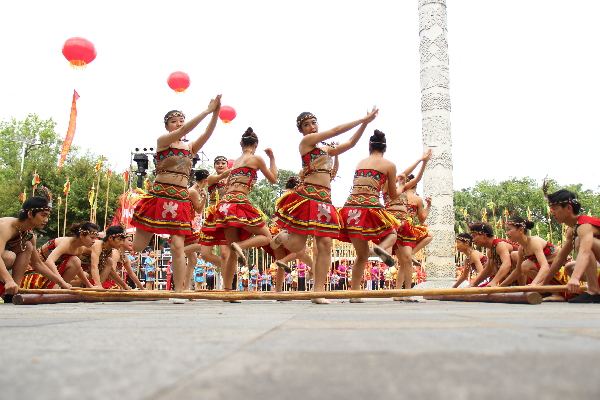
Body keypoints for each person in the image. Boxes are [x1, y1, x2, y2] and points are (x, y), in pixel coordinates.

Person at [274, 108, 379, 304]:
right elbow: (336, 130)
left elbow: (350, 143)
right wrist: (362, 118)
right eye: (307, 124)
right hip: (308, 197)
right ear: (302, 130)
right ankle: (284, 236)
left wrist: (365, 124)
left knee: (325, 245)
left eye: (314, 122)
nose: (312, 126)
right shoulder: (306, 143)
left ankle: (318, 292)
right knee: (297, 245)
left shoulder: (325, 149)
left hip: (325, 199)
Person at [131, 96, 221, 292]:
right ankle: (105, 249)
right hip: (159, 196)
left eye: (181, 119)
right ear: (167, 126)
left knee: (178, 247)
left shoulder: (190, 148)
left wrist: (215, 113)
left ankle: (179, 290)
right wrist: (206, 111)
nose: (179, 123)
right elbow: (184, 130)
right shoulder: (163, 141)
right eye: (174, 121)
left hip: (179, 199)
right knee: (137, 246)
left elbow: (208, 133)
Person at [205, 128, 278, 293]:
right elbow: (273, 179)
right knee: (266, 236)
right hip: (238, 201)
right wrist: (272, 157)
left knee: (231, 252)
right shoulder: (256, 158)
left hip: (225, 204)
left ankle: (227, 289)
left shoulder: (236, 161)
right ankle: (240, 245)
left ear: (241, 144)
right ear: (256, 145)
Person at [338, 129, 399, 302]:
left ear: (369, 146)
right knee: (393, 233)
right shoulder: (389, 165)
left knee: (362, 255)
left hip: (350, 208)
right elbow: (393, 195)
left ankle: (354, 294)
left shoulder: (360, 162)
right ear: (385, 148)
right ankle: (381, 248)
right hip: (369, 206)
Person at [1, 196, 71, 298]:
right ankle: (10, 285)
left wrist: (61, 282)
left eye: (47, 216)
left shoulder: (29, 235)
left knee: (27, 246)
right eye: (43, 215)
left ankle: (13, 292)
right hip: (5, 259)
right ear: (30, 214)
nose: (46, 220)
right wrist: (8, 280)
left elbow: (37, 264)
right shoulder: (5, 226)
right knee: (9, 257)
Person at [545, 189, 600, 302]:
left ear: (569, 208)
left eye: (555, 208)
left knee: (579, 241)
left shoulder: (583, 225)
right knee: (569, 267)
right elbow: (560, 258)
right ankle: (586, 291)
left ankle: (594, 291)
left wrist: (575, 278)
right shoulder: (572, 229)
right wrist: (543, 283)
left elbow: (585, 251)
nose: (552, 212)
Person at [21, 222, 100, 290]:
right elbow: (49, 262)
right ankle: (57, 286)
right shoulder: (66, 243)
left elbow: (78, 267)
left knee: (76, 262)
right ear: (82, 235)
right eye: (92, 238)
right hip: (35, 272)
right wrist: (61, 282)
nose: (94, 241)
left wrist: (89, 285)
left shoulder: (80, 249)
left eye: (95, 238)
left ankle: (59, 287)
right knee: (75, 261)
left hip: (51, 272)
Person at [500, 216, 562, 288]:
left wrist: (534, 284)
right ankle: (547, 291)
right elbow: (518, 271)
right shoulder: (521, 249)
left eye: (509, 229)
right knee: (524, 266)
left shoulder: (534, 242)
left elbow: (545, 267)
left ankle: (555, 292)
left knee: (526, 265)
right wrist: (502, 285)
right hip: (551, 271)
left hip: (563, 271)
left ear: (520, 230)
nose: (506, 233)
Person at [197, 156, 232, 271]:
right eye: (218, 163)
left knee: (224, 253)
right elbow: (221, 176)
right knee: (205, 253)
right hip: (212, 217)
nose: (220, 165)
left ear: (227, 165)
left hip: (226, 216)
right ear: (214, 166)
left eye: (223, 163)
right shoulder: (211, 178)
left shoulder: (232, 181)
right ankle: (229, 269)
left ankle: (228, 279)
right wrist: (236, 167)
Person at [76, 225, 131, 290]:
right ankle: (96, 286)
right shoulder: (98, 245)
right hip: (78, 271)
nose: (122, 243)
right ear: (110, 238)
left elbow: (111, 271)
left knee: (109, 261)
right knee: (86, 275)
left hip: (88, 274)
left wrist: (124, 285)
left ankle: (95, 286)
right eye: (119, 239)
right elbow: (94, 266)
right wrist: (98, 285)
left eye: (123, 240)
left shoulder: (109, 250)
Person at [468, 222, 519, 287]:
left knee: (514, 256)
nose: (473, 239)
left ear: (484, 235)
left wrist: (494, 282)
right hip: (510, 280)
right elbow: (488, 270)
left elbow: (507, 264)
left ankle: (522, 286)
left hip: (526, 278)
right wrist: (474, 284)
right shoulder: (490, 250)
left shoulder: (500, 245)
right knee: (492, 265)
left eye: (474, 236)